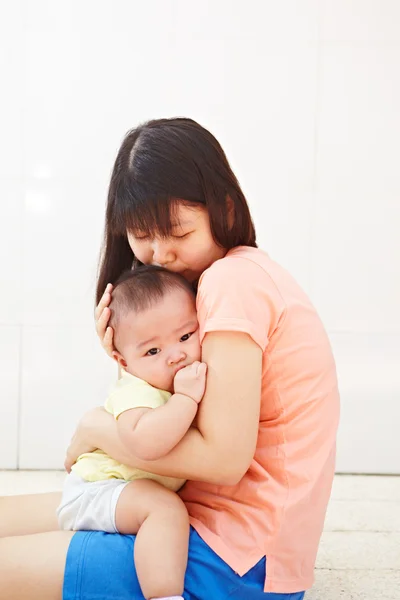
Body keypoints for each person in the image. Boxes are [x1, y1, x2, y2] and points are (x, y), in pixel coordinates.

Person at [0, 117, 340, 600]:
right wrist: (134, 358)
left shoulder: (232, 283)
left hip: (229, 559)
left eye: (178, 232)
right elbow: (192, 410)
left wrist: (99, 429)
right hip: (197, 525)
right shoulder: (231, 279)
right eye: (142, 235)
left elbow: (224, 459)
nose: (160, 254)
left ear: (223, 207)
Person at [57, 265, 207, 600]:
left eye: (185, 336)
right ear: (123, 362)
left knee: (163, 506)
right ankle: (164, 595)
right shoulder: (137, 391)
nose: (176, 356)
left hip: (121, 488)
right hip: (97, 489)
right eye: (152, 351)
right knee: (165, 510)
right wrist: (185, 399)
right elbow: (145, 443)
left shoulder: (168, 380)